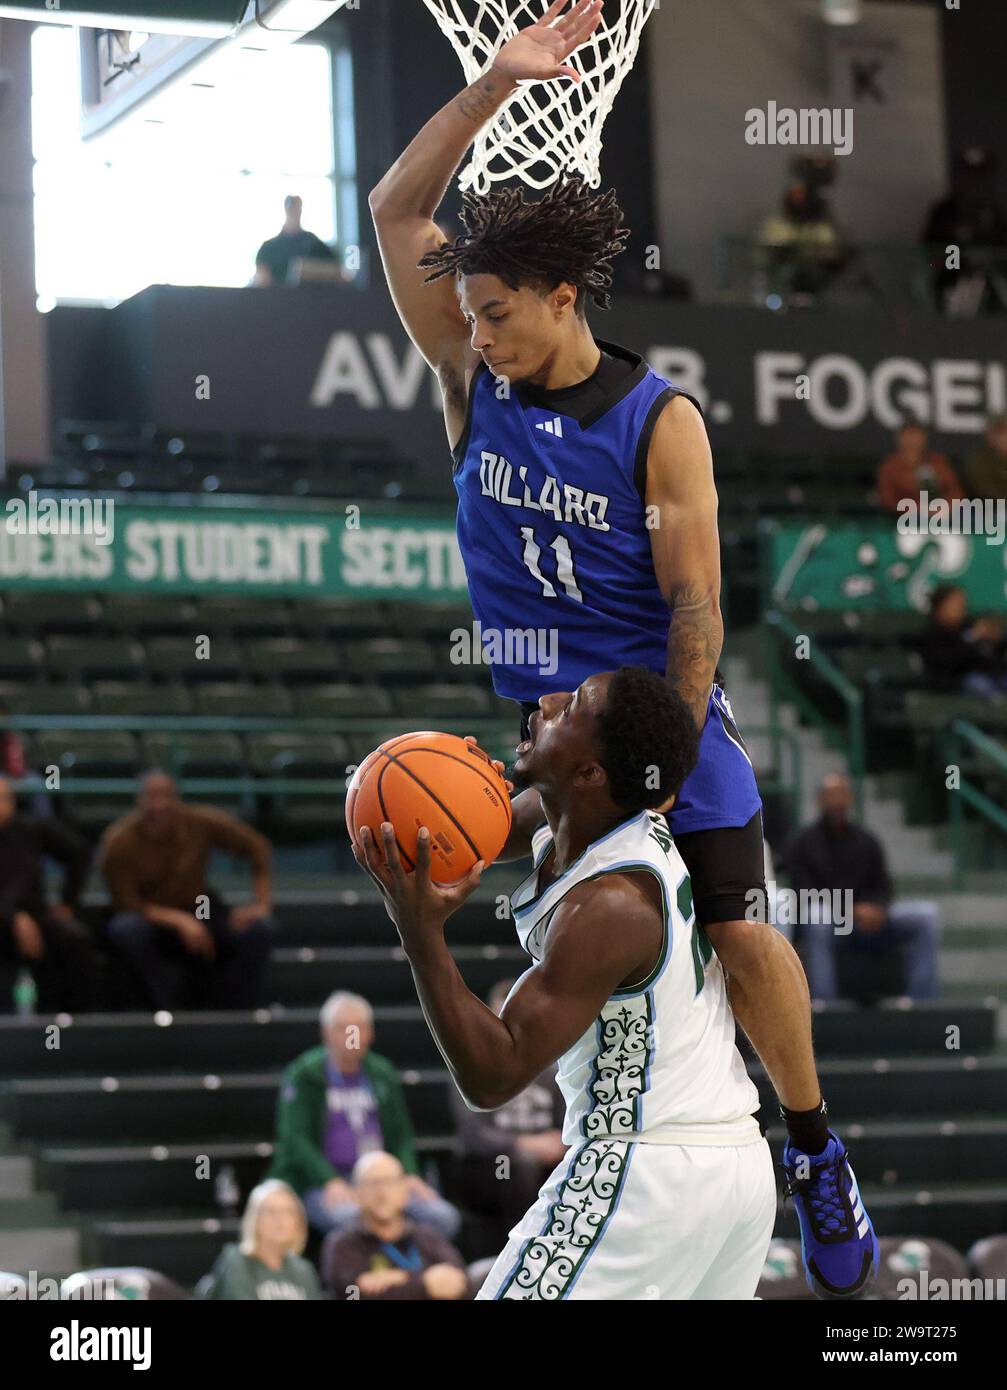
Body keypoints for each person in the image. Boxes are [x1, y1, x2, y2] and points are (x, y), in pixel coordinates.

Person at [368, 0, 862, 1298]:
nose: (471, 332)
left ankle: (809, 1145)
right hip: (541, 726)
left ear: (562, 297)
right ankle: (623, 1159)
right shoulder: (473, 385)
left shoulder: (657, 419)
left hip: (648, 712)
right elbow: (391, 210)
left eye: (495, 314)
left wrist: (666, 753)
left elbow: (694, 610)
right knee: (561, 951)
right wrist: (492, 80)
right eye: (462, 311)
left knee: (744, 939)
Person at [353, 666, 879, 1301]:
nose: (545, 701)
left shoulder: (609, 904)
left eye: (569, 708)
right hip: (732, 1168)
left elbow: (493, 1075)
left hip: (643, 1169)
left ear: (591, 773)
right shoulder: (595, 820)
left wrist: (418, 931)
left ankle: (817, 1143)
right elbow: (490, 821)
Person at [269, 990, 461, 1241]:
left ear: (370, 1033)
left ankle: (412, 1277)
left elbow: (401, 1134)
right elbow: (295, 1140)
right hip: (329, 1179)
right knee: (351, 1219)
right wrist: (328, 1180)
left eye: (358, 1028)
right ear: (326, 1033)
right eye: (343, 1028)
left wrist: (408, 1175)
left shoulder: (382, 1073)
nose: (352, 1036)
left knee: (442, 1217)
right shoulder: (304, 1075)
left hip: (383, 1178)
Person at [98, 772, 275, 1010]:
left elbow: (257, 847)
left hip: (200, 907)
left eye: (166, 796)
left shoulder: (199, 822)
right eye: (152, 796)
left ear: (176, 799)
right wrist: (179, 921)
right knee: (126, 929)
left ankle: (236, 1015)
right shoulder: (118, 842)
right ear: (139, 801)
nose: (159, 804)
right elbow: (126, 903)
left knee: (258, 930)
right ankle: (163, 1011)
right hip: (149, 918)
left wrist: (262, 904)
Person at [785, 774, 940, 1004]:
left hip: (873, 920)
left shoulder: (867, 841)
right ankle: (825, 1006)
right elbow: (804, 893)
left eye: (842, 795)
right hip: (834, 923)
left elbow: (884, 887)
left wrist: (877, 909)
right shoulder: (803, 843)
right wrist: (851, 911)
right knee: (816, 916)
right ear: (820, 801)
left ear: (850, 799)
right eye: (831, 796)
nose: (837, 802)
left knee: (926, 915)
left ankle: (923, 1003)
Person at [450, 977, 566, 1247]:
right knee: (520, 1164)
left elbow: (568, 1124)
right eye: (502, 1019)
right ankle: (521, 1251)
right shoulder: (470, 1065)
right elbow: (472, 1135)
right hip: (485, 1167)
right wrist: (523, 1144)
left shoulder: (553, 1069)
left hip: (542, 1161)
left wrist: (559, 1142)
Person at [0, 776, 99, 1012]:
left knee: (75, 940)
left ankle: (73, 1023)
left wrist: (67, 902)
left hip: (35, 915)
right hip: (6, 919)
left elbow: (79, 854)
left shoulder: (31, 829)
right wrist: (13, 918)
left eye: (4, 799)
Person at [323, 1152, 469, 1301]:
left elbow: (461, 1282)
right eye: (373, 1183)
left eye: (390, 1182)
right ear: (357, 1193)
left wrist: (399, 1278)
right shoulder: (342, 1244)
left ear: (405, 1191)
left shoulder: (426, 1237)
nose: (382, 1192)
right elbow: (353, 1294)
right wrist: (425, 1283)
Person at [197, 1181, 323, 1300]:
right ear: (255, 1219)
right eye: (271, 1211)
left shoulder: (304, 1269)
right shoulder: (235, 1260)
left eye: (288, 1211)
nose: (280, 1219)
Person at [918, 584, 1007, 698]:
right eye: (955, 604)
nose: (961, 608)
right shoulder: (933, 634)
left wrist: (995, 640)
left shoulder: (968, 625)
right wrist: (972, 637)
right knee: (979, 684)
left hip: (991, 675)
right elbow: (950, 662)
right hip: (954, 684)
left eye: (962, 604)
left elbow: (991, 658)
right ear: (940, 607)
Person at [876, 420, 965, 514]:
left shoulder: (939, 462)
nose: (912, 440)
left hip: (942, 517)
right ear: (899, 438)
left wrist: (944, 507)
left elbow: (956, 492)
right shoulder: (889, 467)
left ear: (924, 438)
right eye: (908, 435)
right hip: (901, 520)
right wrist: (918, 510)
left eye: (916, 435)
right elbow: (887, 500)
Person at [253, 195, 335, 286]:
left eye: (296, 208)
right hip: (278, 299)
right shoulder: (268, 248)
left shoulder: (315, 244)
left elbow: (336, 271)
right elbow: (261, 280)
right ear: (285, 210)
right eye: (291, 208)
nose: (294, 212)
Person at [965, 413, 1007, 501]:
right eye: (1001, 433)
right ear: (990, 436)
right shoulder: (979, 460)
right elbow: (989, 492)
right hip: (992, 509)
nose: (1005, 437)